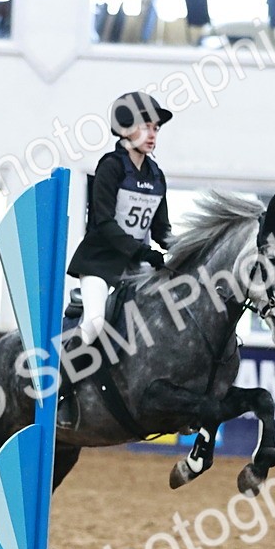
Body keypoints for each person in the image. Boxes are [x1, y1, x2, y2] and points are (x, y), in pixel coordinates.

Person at [59, 91, 174, 429]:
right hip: (100, 263)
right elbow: (104, 224)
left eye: (155, 128)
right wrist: (143, 252)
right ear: (125, 130)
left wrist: (180, 251)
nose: (152, 134)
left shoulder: (156, 175)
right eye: (145, 127)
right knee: (94, 324)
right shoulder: (110, 168)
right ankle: (61, 396)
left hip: (136, 267)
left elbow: (162, 230)